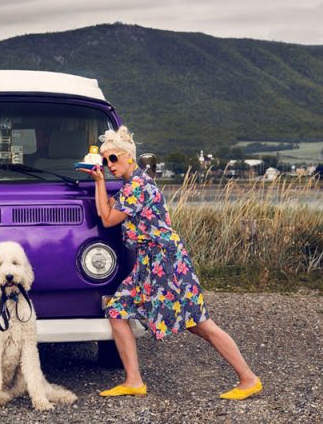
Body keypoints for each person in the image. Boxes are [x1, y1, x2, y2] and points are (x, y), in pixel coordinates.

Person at [79, 126, 262, 400]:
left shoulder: (137, 187)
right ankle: (133, 380)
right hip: (151, 261)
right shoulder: (134, 185)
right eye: (105, 161)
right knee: (117, 310)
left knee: (199, 323)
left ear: (129, 157)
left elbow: (106, 219)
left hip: (163, 260)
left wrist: (99, 182)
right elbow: (110, 211)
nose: (109, 165)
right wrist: (100, 181)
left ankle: (248, 379)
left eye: (113, 159)